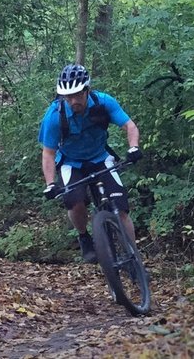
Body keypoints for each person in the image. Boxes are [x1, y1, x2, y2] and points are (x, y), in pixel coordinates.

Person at [39, 64, 142, 263]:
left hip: (100, 158)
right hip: (71, 163)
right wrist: (50, 184)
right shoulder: (54, 116)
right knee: (74, 200)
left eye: (77, 95)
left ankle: (134, 256)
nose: (73, 101)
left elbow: (129, 126)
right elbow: (48, 154)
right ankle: (84, 236)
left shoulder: (103, 102)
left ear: (87, 90)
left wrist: (134, 147)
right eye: (68, 97)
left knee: (120, 208)